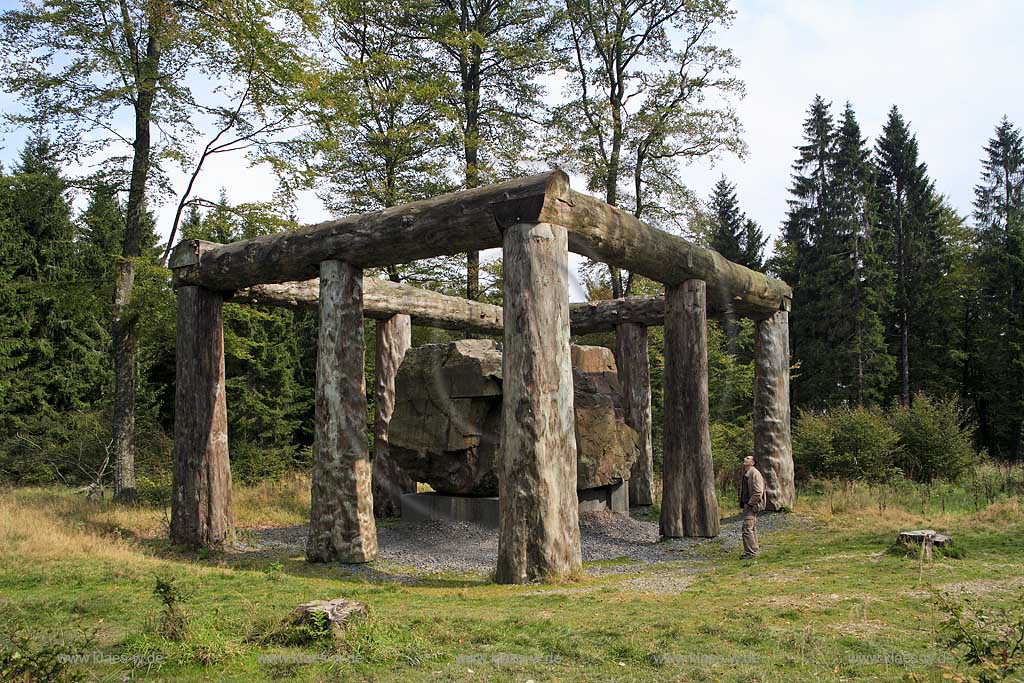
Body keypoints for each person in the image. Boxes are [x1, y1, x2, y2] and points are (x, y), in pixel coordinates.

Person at [739, 455, 766, 559]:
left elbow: (759, 491)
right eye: (745, 457)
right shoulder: (748, 473)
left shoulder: (754, 473)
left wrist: (750, 503)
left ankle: (751, 553)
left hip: (751, 506)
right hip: (749, 505)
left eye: (748, 458)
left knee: (747, 528)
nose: (745, 458)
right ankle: (753, 551)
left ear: (753, 462)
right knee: (751, 528)